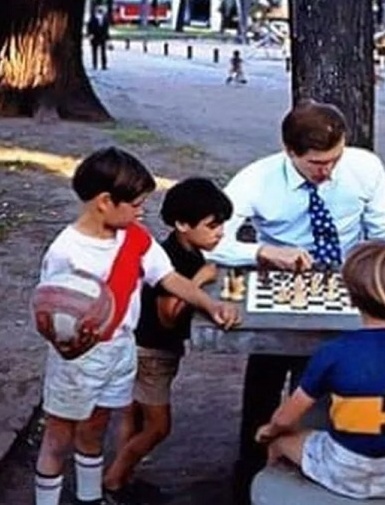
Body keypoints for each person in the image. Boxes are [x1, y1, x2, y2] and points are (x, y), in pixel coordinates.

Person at [205, 100, 385, 504]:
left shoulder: (364, 167)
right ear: (289, 150)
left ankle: (319, 473)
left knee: (329, 388)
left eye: (334, 159)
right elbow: (211, 239)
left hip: (346, 290)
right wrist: (261, 252)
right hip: (281, 294)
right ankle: (250, 473)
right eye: (316, 163)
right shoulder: (256, 179)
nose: (327, 171)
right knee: (264, 381)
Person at [33, 148, 239, 505]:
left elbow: (170, 278)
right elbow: (52, 316)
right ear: (104, 201)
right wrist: (73, 346)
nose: (143, 211)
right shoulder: (67, 252)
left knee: (95, 428)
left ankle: (90, 497)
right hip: (79, 357)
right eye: (137, 204)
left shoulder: (136, 237)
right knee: (58, 436)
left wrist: (210, 303)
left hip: (121, 349)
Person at [255, 240, 385, 498]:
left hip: (347, 470)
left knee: (280, 443)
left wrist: (269, 431)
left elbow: (284, 418)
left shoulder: (335, 352)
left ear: (351, 297)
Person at [103, 178, 233, 503]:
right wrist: (201, 279)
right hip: (153, 353)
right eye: (212, 226)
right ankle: (115, 481)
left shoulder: (179, 249)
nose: (220, 233)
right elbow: (169, 314)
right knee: (158, 427)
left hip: (139, 345)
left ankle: (123, 475)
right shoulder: (175, 259)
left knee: (132, 414)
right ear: (182, 224)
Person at [87, 6, 110, 71]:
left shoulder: (104, 19)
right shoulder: (93, 18)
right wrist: (90, 34)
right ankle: (95, 65)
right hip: (95, 37)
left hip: (102, 37)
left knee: (102, 52)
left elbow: (106, 29)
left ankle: (103, 65)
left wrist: (107, 37)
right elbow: (89, 27)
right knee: (95, 52)